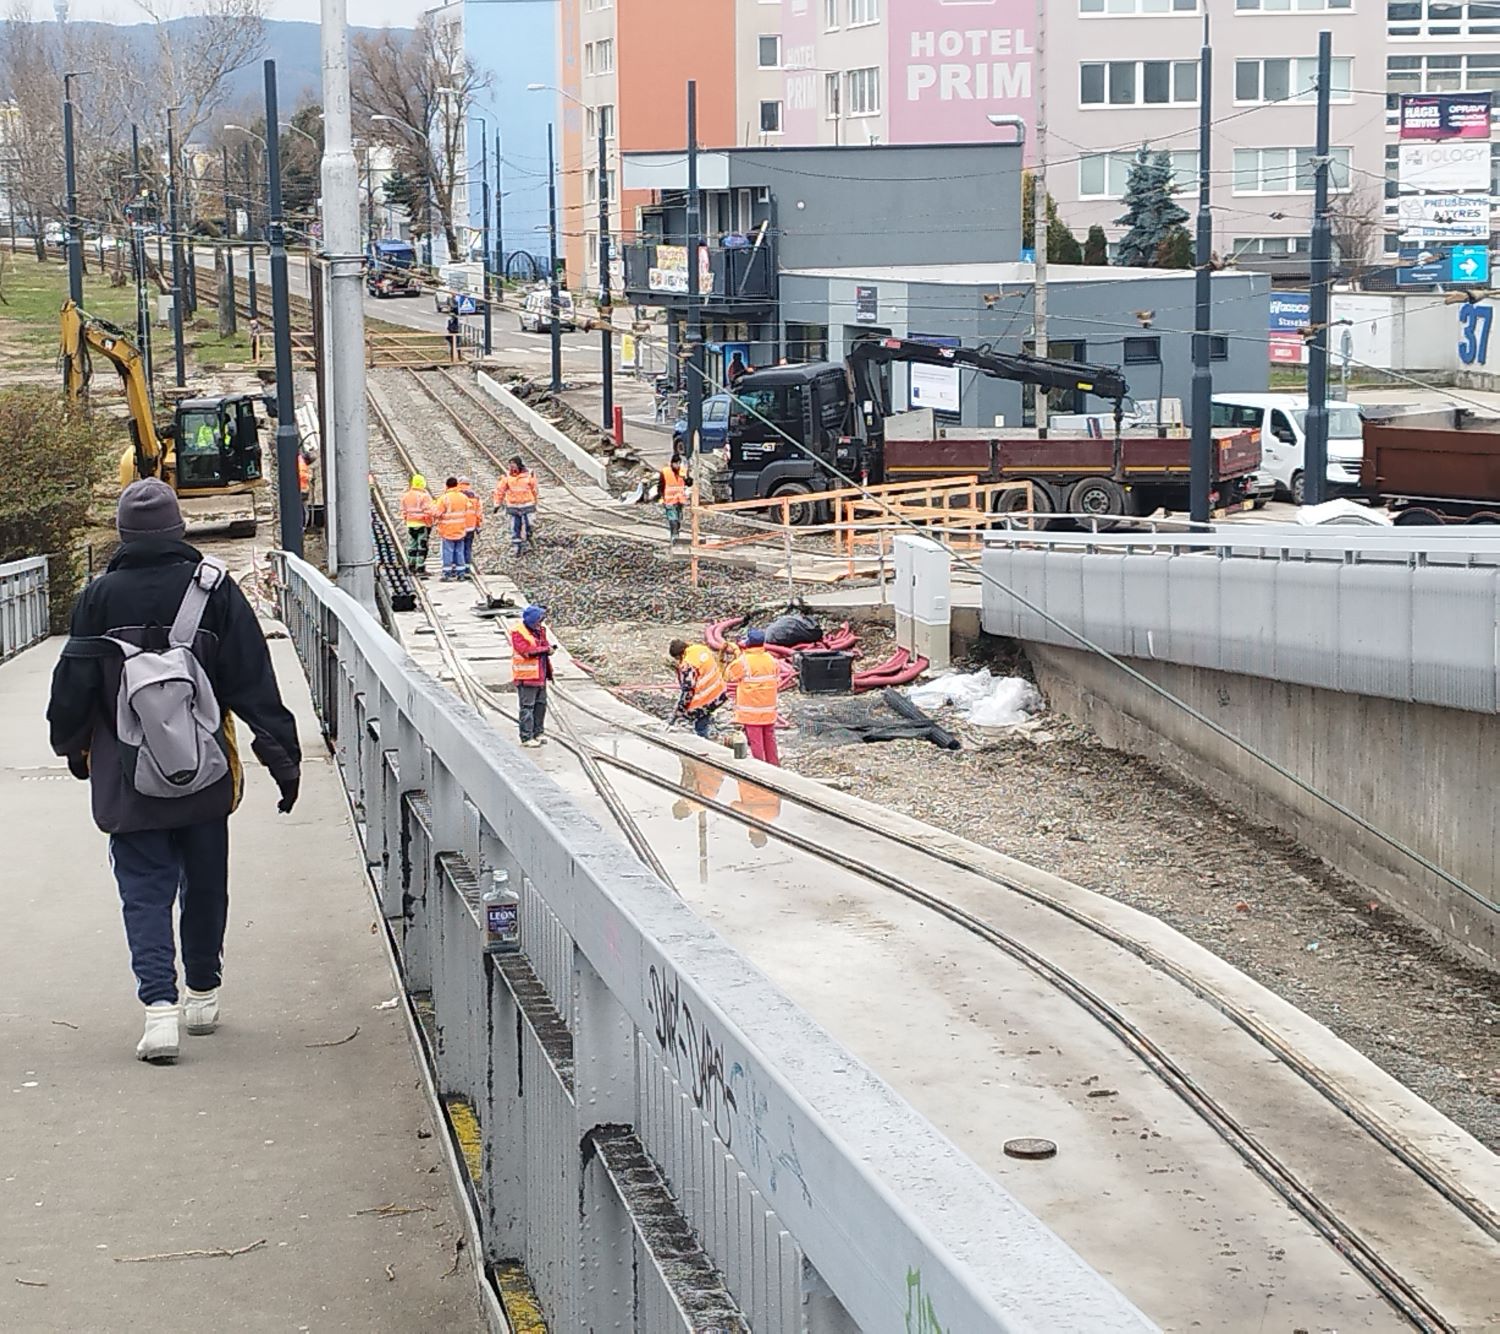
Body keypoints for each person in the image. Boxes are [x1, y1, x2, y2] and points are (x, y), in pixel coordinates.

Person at [45, 479, 301, 1063]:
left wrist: (70, 745)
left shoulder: (98, 596)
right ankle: (203, 994)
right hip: (205, 771)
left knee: (143, 889)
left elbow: (73, 682)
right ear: (178, 528)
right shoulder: (215, 590)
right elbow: (253, 679)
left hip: (126, 775)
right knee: (206, 882)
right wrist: (281, 757)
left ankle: (159, 1011)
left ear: (124, 534)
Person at [723, 627, 781, 766]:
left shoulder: (743, 662)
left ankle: (760, 769)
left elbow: (728, 676)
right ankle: (775, 767)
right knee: (769, 739)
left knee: (756, 743)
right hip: (768, 709)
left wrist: (736, 656)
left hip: (751, 711)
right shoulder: (772, 660)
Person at [510, 605, 553, 748]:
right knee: (527, 707)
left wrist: (548, 649)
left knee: (540, 705)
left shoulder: (539, 631)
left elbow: (542, 646)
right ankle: (526, 737)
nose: (540, 623)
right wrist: (546, 649)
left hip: (540, 676)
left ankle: (537, 733)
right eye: (539, 619)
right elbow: (526, 651)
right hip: (527, 677)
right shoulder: (518, 632)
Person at [669, 637, 726, 739]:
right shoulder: (700, 649)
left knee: (700, 724)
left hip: (705, 699)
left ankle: (704, 741)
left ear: (679, 655)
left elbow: (688, 690)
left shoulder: (688, 664)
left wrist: (681, 709)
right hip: (719, 691)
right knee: (706, 714)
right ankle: (709, 729)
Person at [493, 455, 539, 556]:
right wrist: (497, 504)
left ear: (518, 465)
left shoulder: (528, 475)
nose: (511, 467)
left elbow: (534, 488)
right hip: (513, 505)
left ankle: (528, 537)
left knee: (530, 524)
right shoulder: (507, 477)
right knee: (515, 526)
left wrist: (535, 501)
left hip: (527, 504)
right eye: (510, 465)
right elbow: (500, 490)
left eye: (513, 465)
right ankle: (516, 546)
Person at [432, 476, 472, 580]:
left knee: (448, 551)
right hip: (460, 529)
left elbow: (436, 513)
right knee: (459, 551)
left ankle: (447, 573)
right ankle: (461, 573)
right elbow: (469, 507)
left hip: (448, 529)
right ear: (457, 485)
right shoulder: (463, 497)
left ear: (446, 486)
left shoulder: (444, 498)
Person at [399, 473, 436, 576]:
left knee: (412, 545)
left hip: (411, 524)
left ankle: (411, 565)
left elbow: (403, 511)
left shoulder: (406, 496)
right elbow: (429, 510)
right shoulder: (424, 496)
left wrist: (407, 519)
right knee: (422, 546)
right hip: (422, 523)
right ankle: (420, 567)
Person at [660, 455, 691, 543]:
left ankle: (676, 533)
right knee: (672, 520)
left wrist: (688, 480)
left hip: (679, 501)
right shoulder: (666, 472)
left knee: (678, 520)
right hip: (669, 501)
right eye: (676, 463)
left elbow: (687, 483)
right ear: (672, 463)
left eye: (679, 463)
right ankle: (674, 537)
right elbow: (661, 485)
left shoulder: (682, 472)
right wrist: (661, 497)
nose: (678, 465)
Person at [458, 476, 482, 575]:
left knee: (459, 547)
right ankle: (467, 567)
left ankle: (459, 567)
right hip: (471, 526)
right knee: (468, 547)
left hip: (459, 526)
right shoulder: (475, 496)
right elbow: (478, 513)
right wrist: (478, 525)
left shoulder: (457, 495)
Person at [297, 449, 313, 529]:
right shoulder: (302, 465)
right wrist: (309, 477)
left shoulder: (299, 460)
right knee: (303, 509)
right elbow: (302, 476)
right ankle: (303, 525)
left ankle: (303, 525)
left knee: (302, 508)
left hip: (301, 489)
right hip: (302, 489)